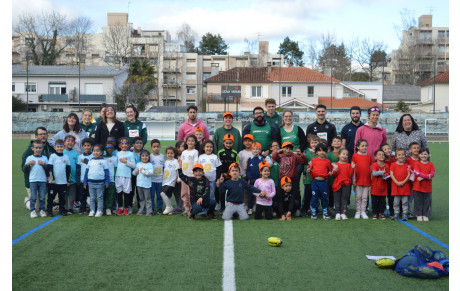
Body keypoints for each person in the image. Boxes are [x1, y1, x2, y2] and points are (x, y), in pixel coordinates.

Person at [22, 127, 55, 211]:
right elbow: (24, 168)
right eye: (41, 134)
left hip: (47, 180)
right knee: (36, 208)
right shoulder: (29, 151)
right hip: (34, 181)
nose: (43, 136)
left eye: (45, 134)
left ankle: (56, 203)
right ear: (36, 136)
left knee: (60, 184)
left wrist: (49, 176)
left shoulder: (50, 148)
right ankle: (27, 201)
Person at [24, 140, 49, 218]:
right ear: (32, 148)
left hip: (42, 180)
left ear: (42, 148)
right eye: (36, 148)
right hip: (33, 181)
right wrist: (28, 164)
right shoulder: (29, 158)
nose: (38, 149)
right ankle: (33, 211)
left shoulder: (44, 158)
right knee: (33, 197)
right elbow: (24, 169)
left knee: (42, 196)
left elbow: (48, 169)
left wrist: (43, 164)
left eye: (40, 148)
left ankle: (42, 210)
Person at [83, 144, 110, 217]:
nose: (96, 152)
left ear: (101, 152)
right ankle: (92, 210)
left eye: (98, 151)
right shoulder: (90, 161)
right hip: (90, 182)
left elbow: (107, 173)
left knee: (99, 197)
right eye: (94, 151)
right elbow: (86, 172)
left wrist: (107, 181)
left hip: (100, 183)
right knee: (92, 197)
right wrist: (85, 181)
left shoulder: (104, 161)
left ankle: (99, 211)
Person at [307, 143, 332, 220]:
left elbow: (330, 171)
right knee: (314, 198)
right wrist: (308, 170)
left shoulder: (327, 161)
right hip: (315, 182)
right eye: (319, 151)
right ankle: (313, 212)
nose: (321, 152)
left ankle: (325, 212)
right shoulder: (313, 160)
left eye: (323, 151)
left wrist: (330, 173)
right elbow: (309, 168)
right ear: (316, 152)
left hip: (324, 182)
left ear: (326, 152)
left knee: (324, 198)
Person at [47, 139, 70, 217]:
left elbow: (68, 169)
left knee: (62, 198)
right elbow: (50, 168)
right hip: (54, 182)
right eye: (58, 147)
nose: (60, 148)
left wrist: (67, 180)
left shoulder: (66, 157)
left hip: (63, 182)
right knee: (51, 197)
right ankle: (49, 211)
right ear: (55, 147)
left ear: (64, 147)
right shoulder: (53, 156)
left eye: (61, 146)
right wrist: (52, 179)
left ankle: (62, 210)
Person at [216, 134, 239, 211]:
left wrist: (231, 175)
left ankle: (232, 208)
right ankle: (222, 207)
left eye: (230, 143)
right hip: (223, 176)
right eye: (227, 143)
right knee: (222, 192)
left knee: (231, 192)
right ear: (223, 143)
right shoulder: (220, 152)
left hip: (231, 176)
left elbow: (237, 165)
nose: (228, 145)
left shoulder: (235, 153)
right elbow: (218, 165)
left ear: (233, 143)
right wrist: (221, 174)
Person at [114, 137, 136, 215]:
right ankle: (120, 208)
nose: (124, 145)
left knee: (126, 193)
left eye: (126, 144)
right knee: (119, 192)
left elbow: (133, 165)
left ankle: (126, 208)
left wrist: (126, 161)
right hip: (118, 176)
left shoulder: (130, 154)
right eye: (122, 144)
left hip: (127, 176)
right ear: (119, 145)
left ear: (128, 145)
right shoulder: (117, 154)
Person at [331, 148, 354, 220]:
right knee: (337, 199)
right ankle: (337, 213)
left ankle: (343, 213)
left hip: (346, 184)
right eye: (343, 154)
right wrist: (335, 169)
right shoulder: (336, 164)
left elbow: (350, 175)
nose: (345, 156)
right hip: (337, 184)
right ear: (339, 155)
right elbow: (334, 175)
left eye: (346, 154)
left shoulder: (348, 165)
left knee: (345, 199)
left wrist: (352, 168)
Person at [352, 139, 372, 219]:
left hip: (366, 180)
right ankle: (358, 211)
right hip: (357, 180)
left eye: (365, 146)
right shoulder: (355, 156)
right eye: (362, 146)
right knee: (358, 196)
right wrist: (353, 179)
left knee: (365, 197)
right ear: (358, 147)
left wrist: (370, 179)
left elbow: (370, 169)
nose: (364, 147)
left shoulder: (368, 156)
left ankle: (363, 211)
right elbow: (353, 169)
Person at [180, 134, 200, 216]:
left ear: (195, 143)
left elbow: (196, 162)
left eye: (192, 141)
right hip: (184, 176)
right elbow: (181, 163)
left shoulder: (195, 152)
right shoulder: (184, 152)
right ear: (186, 142)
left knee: (190, 194)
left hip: (191, 177)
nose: (190, 142)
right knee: (184, 193)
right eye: (189, 141)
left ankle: (192, 209)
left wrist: (194, 174)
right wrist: (179, 175)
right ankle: (187, 209)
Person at [413, 148, 435, 222]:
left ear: (428, 155)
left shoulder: (431, 164)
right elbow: (417, 173)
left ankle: (425, 215)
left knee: (427, 201)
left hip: (427, 187)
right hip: (417, 187)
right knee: (418, 201)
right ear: (419, 155)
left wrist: (423, 177)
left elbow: (432, 174)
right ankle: (419, 215)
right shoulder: (417, 163)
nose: (423, 155)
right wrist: (427, 176)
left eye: (425, 154)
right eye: (422, 154)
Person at [301, 135, 320, 216]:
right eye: (312, 142)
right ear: (310, 143)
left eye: (316, 142)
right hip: (308, 178)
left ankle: (315, 208)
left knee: (316, 195)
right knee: (307, 194)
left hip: (317, 178)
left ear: (319, 143)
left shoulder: (320, 153)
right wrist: (305, 174)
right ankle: (304, 209)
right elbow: (304, 164)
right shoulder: (306, 151)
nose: (314, 144)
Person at [390, 148, 411, 221]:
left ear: (405, 156)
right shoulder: (393, 165)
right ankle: (396, 213)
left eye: (403, 154)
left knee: (405, 201)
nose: (401, 156)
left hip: (405, 186)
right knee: (396, 202)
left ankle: (405, 214)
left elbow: (408, 175)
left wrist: (403, 182)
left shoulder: (407, 165)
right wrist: (397, 182)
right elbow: (391, 174)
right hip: (396, 186)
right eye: (399, 155)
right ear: (395, 157)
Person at [133, 149, 154, 216]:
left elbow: (150, 173)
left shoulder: (150, 165)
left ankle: (149, 211)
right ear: (140, 157)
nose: (144, 157)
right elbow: (134, 173)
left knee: (147, 199)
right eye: (143, 156)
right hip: (139, 184)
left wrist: (143, 171)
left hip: (147, 185)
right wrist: (135, 172)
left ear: (149, 157)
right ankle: (142, 210)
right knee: (141, 199)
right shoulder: (138, 164)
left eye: (146, 156)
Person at [245, 142, 264, 215]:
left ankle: (261, 209)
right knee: (250, 195)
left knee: (261, 194)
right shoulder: (249, 159)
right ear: (251, 150)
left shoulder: (262, 159)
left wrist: (260, 179)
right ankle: (250, 208)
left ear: (260, 151)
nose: (255, 150)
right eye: (254, 149)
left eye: (257, 149)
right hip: (251, 181)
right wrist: (250, 178)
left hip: (260, 181)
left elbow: (264, 169)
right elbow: (247, 170)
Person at [370, 150, 391, 220]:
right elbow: (374, 173)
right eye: (379, 154)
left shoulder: (387, 165)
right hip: (375, 188)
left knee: (382, 201)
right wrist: (382, 172)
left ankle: (381, 213)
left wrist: (385, 175)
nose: (382, 156)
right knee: (374, 201)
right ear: (375, 157)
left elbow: (388, 174)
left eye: (383, 154)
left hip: (383, 188)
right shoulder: (374, 164)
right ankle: (375, 213)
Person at [76, 138, 94, 214]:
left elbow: (94, 165)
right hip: (82, 179)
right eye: (85, 146)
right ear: (82, 147)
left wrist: (87, 161)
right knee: (82, 195)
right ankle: (83, 208)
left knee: (92, 195)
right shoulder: (80, 157)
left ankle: (92, 208)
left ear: (91, 146)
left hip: (91, 179)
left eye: (88, 145)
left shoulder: (94, 155)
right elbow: (78, 168)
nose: (87, 147)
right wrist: (78, 178)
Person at [160, 147, 180, 215]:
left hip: (171, 182)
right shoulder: (165, 162)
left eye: (171, 153)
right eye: (168, 153)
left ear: (174, 154)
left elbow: (178, 170)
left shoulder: (175, 161)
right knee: (168, 196)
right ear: (166, 154)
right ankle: (170, 210)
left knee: (162, 193)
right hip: (165, 181)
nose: (170, 154)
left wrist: (178, 178)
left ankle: (168, 206)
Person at [63, 135, 79, 214]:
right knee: (64, 194)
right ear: (64, 142)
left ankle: (71, 208)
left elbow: (77, 165)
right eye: (68, 141)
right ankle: (65, 208)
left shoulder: (75, 154)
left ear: (74, 143)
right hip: (62, 179)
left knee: (72, 195)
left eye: (72, 141)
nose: (70, 143)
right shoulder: (61, 152)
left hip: (73, 179)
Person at [150, 139, 165, 215]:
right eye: (154, 147)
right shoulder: (149, 156)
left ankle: (159, 209)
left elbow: (164, 168)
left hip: (160, 180)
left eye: (158, 146)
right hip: (151, 180)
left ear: (160, 147)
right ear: (151, 148)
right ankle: (151, 209)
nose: (156, 148)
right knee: (151, 195)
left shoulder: (163, 156)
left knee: (159, 195)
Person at [103, 141, 118, 216]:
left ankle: (108, 208)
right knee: (102, 194)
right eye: (108, 147)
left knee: (110, 194)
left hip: (111, 180)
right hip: (102, 180)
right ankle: (102, 208)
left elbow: (115, 169)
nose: (109, 149)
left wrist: (115, 179)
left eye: (111, 148)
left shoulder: (115, 158)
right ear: (105, 148)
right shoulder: (101, 158)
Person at [172, 141, 185, 214]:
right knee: (175, 191)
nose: (184, 147)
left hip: (181, 177)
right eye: (182, 146)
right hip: (174, 177)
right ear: (177, 148)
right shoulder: (174, 156)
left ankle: (180, 206)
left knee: (181, 191)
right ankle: (178, 205)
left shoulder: (185, 155)